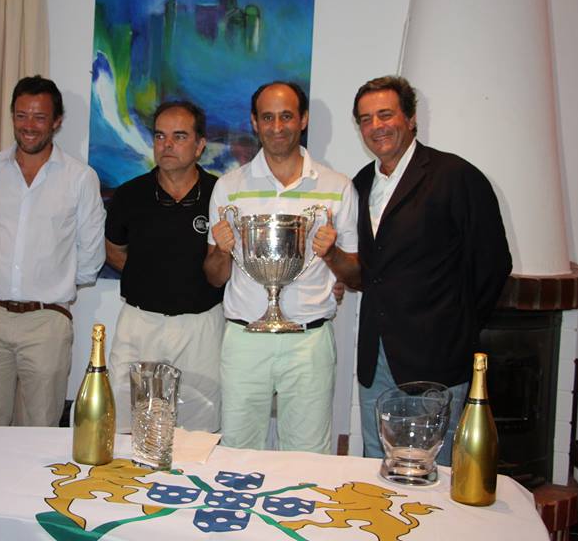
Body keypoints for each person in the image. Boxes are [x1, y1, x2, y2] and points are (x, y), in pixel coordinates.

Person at [351, 75, 512, 465]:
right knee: (380, 463)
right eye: (366, 119)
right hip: (377, 357)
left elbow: (492, 265)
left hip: (436, 358)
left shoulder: (455, 177)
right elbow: (371, 268)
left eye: (385, 115)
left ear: (410, 118)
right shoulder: (359, 183)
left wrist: (454, 325)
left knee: (431, 474)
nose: (377, 126)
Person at [204, 81, 360, 453]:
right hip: (244, 339)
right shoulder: (228, 187)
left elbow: (357, 275)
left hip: (309, 341)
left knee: (308, 458)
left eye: (286, 116)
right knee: (237, 452)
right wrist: (222, 251)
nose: (278, 127)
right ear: (255, 123)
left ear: (303, 120)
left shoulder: (337, 187)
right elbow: (214, 277)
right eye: (268, 117)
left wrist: (333, 254)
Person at [0, 75, 105, 430]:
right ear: (12, 116)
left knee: (40, 427)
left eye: (39, 117)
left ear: (56, 122)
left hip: (47, 322)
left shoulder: (80, 178)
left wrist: (50, 288)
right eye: (21, 115)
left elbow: (90, 255)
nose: (29, 126)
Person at [105, 100, 224, 433]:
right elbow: (114, 251)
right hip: (140, 324)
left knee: (198, 432)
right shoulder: (129, 195)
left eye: (179, 136)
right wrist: (154, 277)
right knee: (126, 427)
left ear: (200, 145)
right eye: (160, 136)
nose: (167, 145)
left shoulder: (219, 194)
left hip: (200, 327)